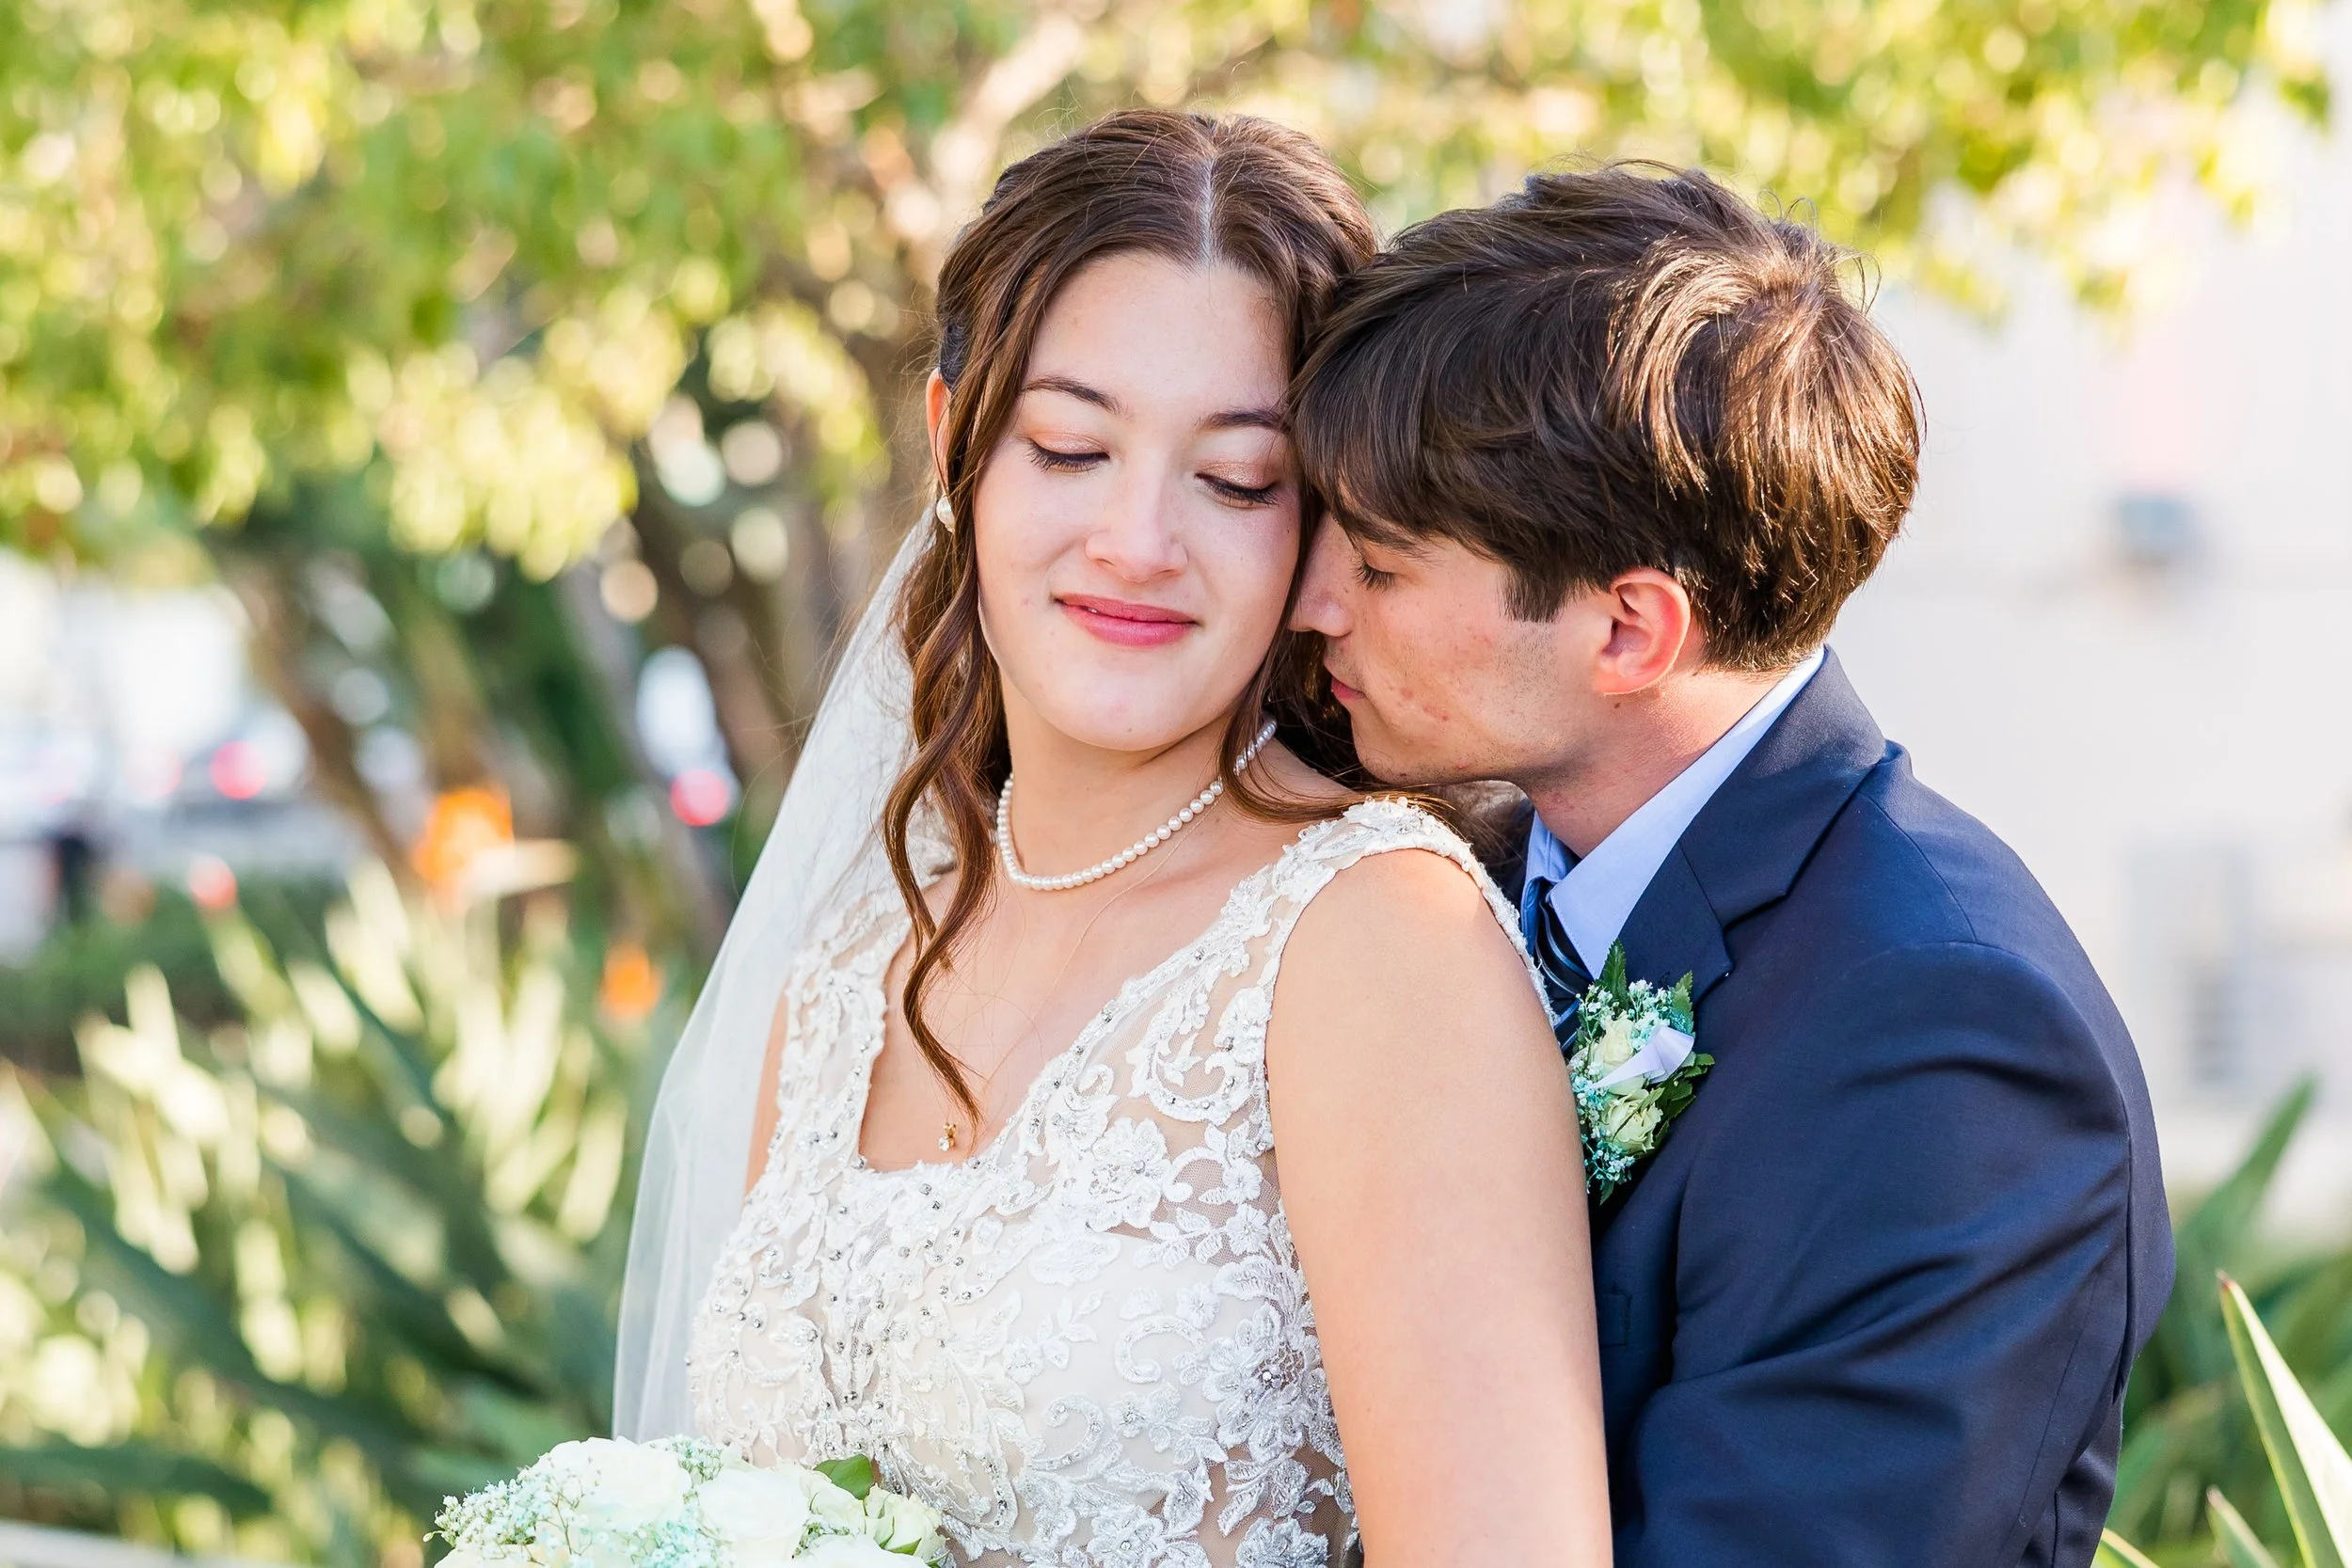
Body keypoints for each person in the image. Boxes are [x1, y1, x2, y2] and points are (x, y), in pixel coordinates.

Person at [616, 110, 1612, 1567]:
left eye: (1235, 478)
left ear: (1319, 513)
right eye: (1073, 448)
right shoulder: (849, 967)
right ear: (960, 447)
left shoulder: (1378, 945)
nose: (1140, 541)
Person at [1288, 163, 2173, 1568]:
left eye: (1382, 564)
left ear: (1631, 631)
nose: (1311, 595)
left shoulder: (1941, 1039)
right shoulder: (1414, 882)